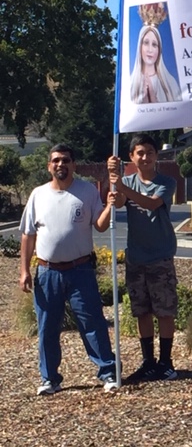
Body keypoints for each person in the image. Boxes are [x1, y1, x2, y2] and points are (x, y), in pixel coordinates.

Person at [19, 144, 118, 395]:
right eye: (55, 161)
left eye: (65, 160)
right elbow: (28, 235)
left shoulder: (86, 192)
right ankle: (50, 379)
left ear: (74, 164)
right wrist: (24, 271)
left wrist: (109, 206)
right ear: (48, 166)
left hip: (80, 270)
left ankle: (108, 372)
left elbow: (101, 225)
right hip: (47, 272)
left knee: (92, 322)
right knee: (47, 327)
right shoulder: (38, 195)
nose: (60, 164)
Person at [107, 134, 178, 383]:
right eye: (140, 153)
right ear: (132, 157)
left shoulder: (166, 182)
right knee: (142, 311)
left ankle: (166, 362)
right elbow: (119, 202)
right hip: (136, 257)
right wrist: (114, 183)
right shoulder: (126, 181)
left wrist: (122, 187)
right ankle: (148, 361)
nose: (145, 157)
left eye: (149, 152)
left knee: (164, 310)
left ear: (156, 156)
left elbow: (150, 203)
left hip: (160, 256)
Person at [130, 2, 181, 104]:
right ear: (139, 46)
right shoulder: (130, 84)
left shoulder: (171, 83)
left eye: (154, 44)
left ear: (159, 49)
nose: (150, 50)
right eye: (145, 43)